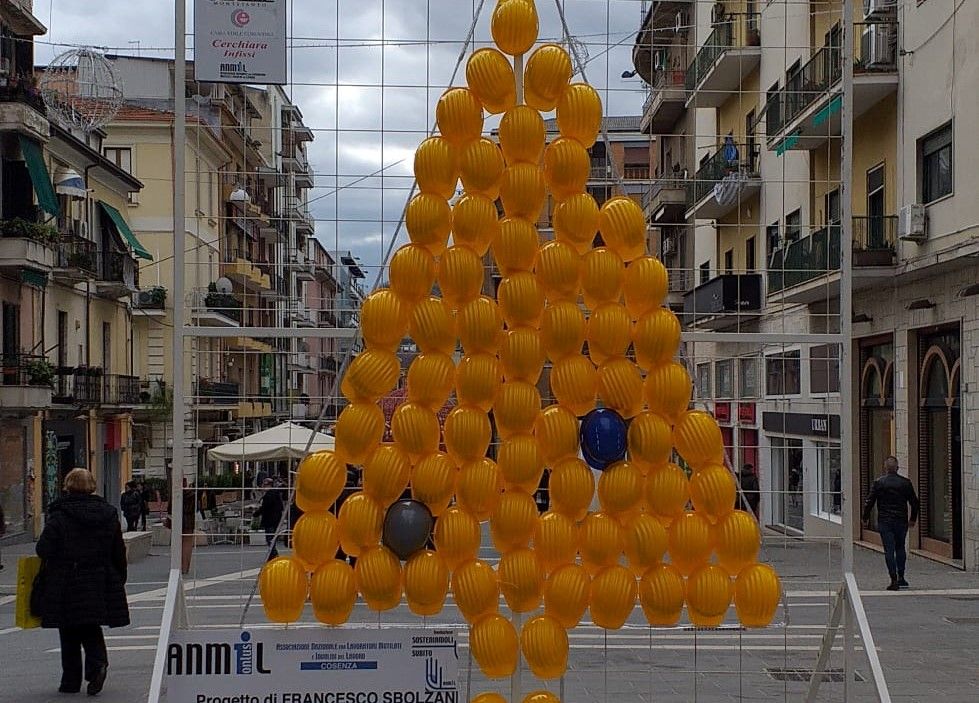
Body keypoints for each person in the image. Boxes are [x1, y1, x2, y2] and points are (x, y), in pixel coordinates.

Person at [35, 468, 129, 695]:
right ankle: (97, 664)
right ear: (92, 486)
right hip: (99, 576)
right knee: (90, 623)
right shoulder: (108, 513)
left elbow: (43, 549)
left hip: (67, 578)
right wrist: (118, 577)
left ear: (67, 485)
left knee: (68, 627)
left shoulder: (60, 514)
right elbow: (118, 550)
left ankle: (70, 680)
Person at [862, 455, 920, 591]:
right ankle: (901, 577)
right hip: (901, 520)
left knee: (889, 549)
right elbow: (914, 502)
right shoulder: (905, 483)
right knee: (900, 547)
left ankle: (893, 579)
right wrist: (913, 518)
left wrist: (865, 517)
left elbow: (869, 501)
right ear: (897, 468)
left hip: (885, 521)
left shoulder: (879, 483)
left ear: (885, 468)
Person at [254, 478, 284, 560]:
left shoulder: (268, 495)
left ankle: (274, 555)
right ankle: (272, 555)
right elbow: (281, 507)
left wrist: (256, 513)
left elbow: (265, 508)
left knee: (270, 539)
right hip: (277, 519)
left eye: (264, 485)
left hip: (270, 520)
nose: (263, 487)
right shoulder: (276, 494)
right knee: (272, 538)